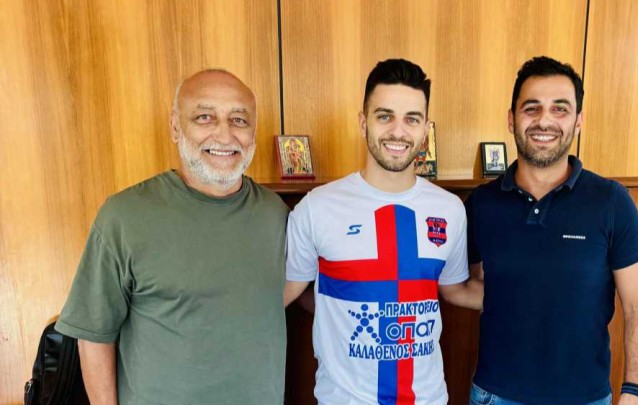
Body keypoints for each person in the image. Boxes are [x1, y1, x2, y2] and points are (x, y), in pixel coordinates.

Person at [55, 69, 288, 405]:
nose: (224, 135)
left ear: (253, 132)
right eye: (205, 117)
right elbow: (93, 335)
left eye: (239, 120)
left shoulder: (276, 214)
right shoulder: (124, 216)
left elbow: (302, 291)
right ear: (176, 127)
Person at [283, 59, 483, 404]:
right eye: (385, 116)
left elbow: (454, 289)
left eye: (412, 119)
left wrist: (531, 296)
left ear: (425, 130)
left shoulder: (450, 210)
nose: (398, 132)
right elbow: (285, 293)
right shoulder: (317, 208)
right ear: (363, 123)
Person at [465, 56, 638, 405]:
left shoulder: (611, 201)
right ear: (511, 119)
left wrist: (634, 394)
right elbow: (474, 286)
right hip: (494, 396)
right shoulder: (481, 204)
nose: (544, 120)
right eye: (531, 108)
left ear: (578, 121)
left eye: (560, 109)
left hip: (585, 398)